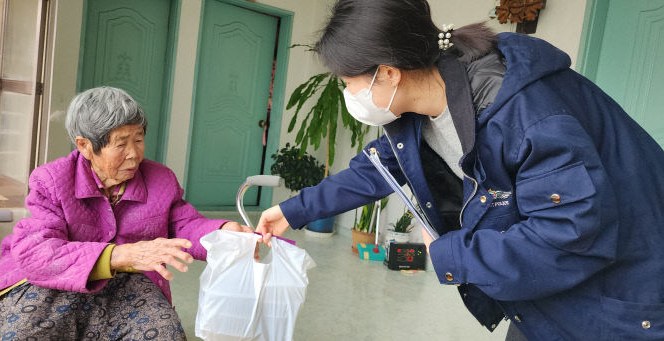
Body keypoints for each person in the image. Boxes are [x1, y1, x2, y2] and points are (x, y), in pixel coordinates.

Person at [255, 0, 664, 340]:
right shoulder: (420, 108)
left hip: (621, 294)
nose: (350, 95)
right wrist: (292, 211)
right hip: (543, 289)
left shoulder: (524, 110)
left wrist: (453, 254)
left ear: (388, 73)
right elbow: (375, 170)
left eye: (349, 82)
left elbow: (572, 234)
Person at [0, 87, 251, 340]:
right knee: (21, 333)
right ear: (85, 146)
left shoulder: (161, 179)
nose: (134, 154)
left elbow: (185, 225)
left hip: (131, 281)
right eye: (121, 143)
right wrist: (120, 255)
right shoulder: (50, 180)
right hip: (55, 279)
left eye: (138, 139)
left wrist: (224, 231)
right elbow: (37, 252)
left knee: (165, 335)